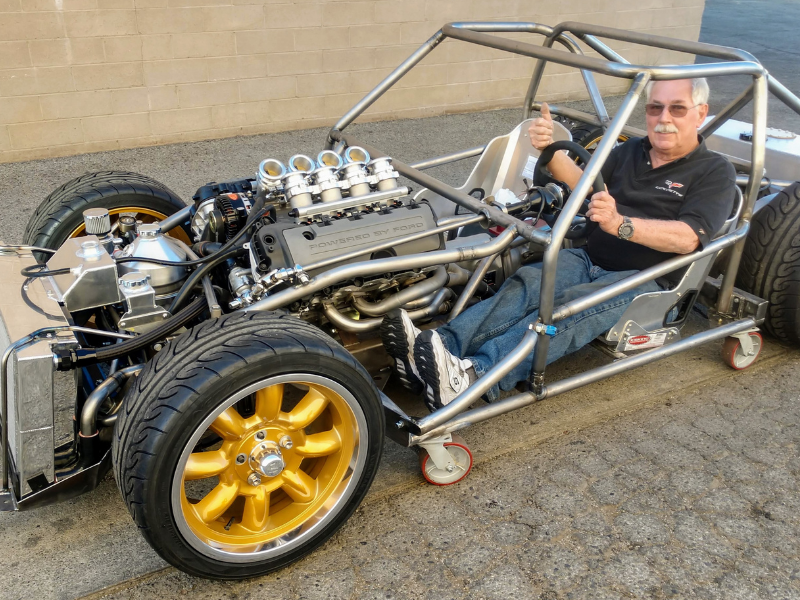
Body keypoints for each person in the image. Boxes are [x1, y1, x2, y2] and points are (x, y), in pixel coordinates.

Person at [381, 78, 737, 411]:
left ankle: (474, 375)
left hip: (646, 277)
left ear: (701, 113)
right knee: (527, 284)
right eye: (655, 108)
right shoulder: (631, 152)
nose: (663, 119)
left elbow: (689, 237)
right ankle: (436, 349)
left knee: (567, 309)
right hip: (589, 255)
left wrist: (621, 225)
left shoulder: (713, 171)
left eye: (677, 108)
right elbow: (585, 183)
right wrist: (548, 150)